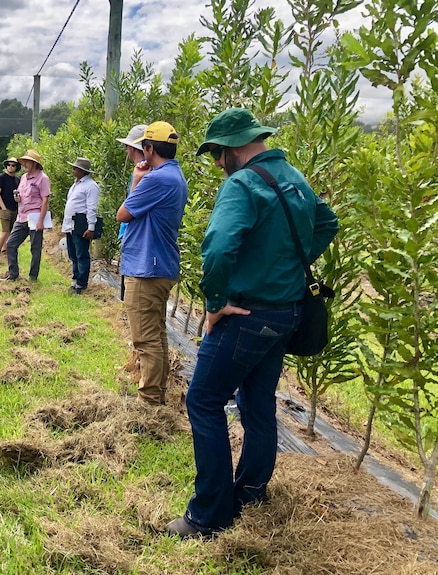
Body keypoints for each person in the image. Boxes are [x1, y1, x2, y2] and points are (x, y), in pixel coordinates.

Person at [166, 108, 339, 539]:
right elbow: (327, 222)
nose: (217, 164)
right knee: (258, 404)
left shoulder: (241, 185)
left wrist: (216, 303)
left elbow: (219, 248)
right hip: (287, 313)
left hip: (244, 315)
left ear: (233, 148)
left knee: (204, 402)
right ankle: (251, 493)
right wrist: (282, 268)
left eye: (218, 155)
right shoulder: (295, 178)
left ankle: (207, 515)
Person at [116, 122, 188, 406]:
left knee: (146, 340)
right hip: (157, 264)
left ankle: (148, 402)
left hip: (148, 266)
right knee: (156, 335)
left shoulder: (157, 179)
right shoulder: (172, 175)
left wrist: (137, 181)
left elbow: (123, 213)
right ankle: (155, 395)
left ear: (149, 148)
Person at [4, 149, 50, 281]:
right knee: (11, 244)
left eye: (27, 162)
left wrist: (41, 221)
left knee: (35, 248)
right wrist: (17, 198)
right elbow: (20, 195)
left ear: (34, 163)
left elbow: (45, 200)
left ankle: (33, 276)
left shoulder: (43, 178)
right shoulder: (23, 178)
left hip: (35, 216)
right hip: (21, 216)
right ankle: (13, 274)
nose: (24, 164)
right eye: (23, 161)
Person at [61, 157, 100, 294]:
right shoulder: (76, 184)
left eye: (75, 168)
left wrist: (91, 227)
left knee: (81, 253)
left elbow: (91, 207)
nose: (73, 170)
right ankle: (75, 278)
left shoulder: (91, 186)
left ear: (82, 171)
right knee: (73, 253)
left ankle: (81, 283)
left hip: (80, 224)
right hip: (71, 224)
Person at [115, 124, 148, 243]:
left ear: (132, 148)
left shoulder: (143, 172)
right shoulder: (141, 170)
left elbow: (131, 206)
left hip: (133, 233)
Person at [0, 157, 21, 254]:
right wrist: (3, 207)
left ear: (16, 167)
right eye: (9, 165)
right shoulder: (2, 177)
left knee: (10, 231)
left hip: (15, 208)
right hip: (5, 209)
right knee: (5, 231)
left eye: (13, 165)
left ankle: (5, 250)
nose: (10, 167)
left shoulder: (17, 179)